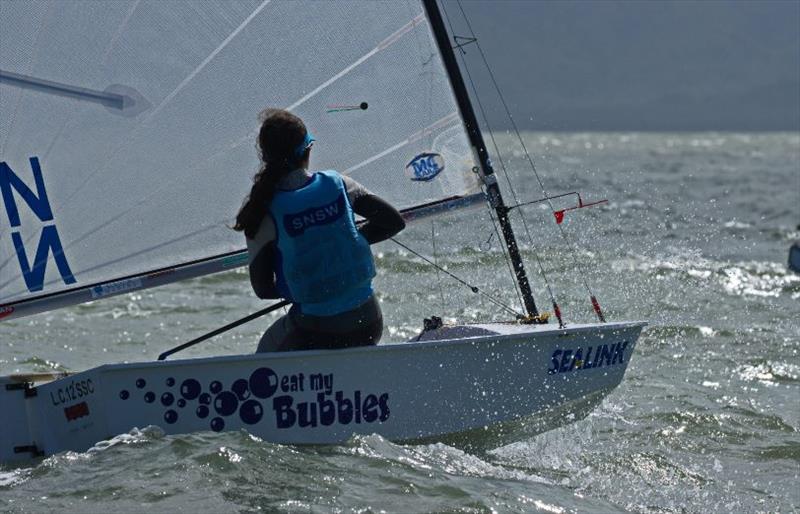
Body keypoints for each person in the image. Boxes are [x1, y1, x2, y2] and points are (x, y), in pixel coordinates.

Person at [234, 109, 405, 352]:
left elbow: (262, 288)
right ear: (308, 148)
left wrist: (302, 284)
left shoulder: (262, 210)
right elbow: (393, 222)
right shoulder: (339, 184)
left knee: (265, 352)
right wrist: (348, 241)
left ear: (264, 155)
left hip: (315, 332)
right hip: (369, 324)